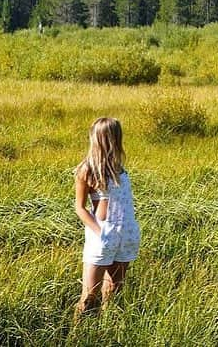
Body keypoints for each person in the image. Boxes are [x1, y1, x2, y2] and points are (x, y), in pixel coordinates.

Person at [73, 117, 141, 316]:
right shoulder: (86, 169)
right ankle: (75, 337)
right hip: (104, 233)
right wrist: (100, 232)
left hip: (127, 232)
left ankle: (105, 330)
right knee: (88, 296)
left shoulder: (119, 167)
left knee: (114, 290)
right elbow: (80, 207)